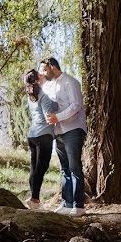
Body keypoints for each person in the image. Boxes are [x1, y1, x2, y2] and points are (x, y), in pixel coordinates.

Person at [39, 57, 87, 217]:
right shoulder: (50, 86)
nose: (43, 73)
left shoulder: (70, 82)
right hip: (58, 131)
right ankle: (66, 204)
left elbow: (76, 106)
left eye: (45, 70)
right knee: (64, 169)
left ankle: (78, 206)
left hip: (73, 129)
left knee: (74, 167)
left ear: (53, 67)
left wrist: (57, 117)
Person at [23, 69, 58, 210]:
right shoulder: (43, 96)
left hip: (32, 135)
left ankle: (33, 198)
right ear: (37, 80)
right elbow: (49, 117)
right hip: (43, 136)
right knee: (40, 168)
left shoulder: (31, 96)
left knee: (34, 168)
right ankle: (35, 200)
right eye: (40, 74)